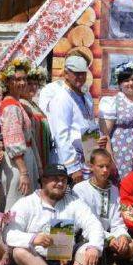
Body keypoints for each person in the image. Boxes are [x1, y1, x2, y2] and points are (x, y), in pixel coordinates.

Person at [4, 163, 105, 265]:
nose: (60, 183)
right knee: (19, 251)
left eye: (64, 180)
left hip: (65, 264)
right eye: (55, 179)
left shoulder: (73, 202)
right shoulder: (26, 203)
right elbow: (9, 233)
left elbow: (93, 224)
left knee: (88, 248)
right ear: (43, 180)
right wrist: (33, 238)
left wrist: (94, 247)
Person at [39, 54, 106, 184]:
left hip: (87, 156)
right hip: (70, 161)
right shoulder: (62, 97)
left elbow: (88, 124)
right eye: (76, 73)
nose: (80, 77)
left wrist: (97, 141)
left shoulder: (86, 95)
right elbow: (61, 134)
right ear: (66, 74)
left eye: (83, 73)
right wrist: (72, 167)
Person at [72, 150, 133, 265]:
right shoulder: (80, 189)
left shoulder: (114, 190)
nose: (105, 170)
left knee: (132, 245)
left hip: (109, 238)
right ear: (91, 166)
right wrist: (109, 238)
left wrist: (121, 236)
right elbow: (83, 225)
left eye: (108, 166)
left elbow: (118, 220)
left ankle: (110, 262)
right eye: (100, 166)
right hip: (87, 238)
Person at [0, 59, 42, 210]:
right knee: (17, 205)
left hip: (25, 158)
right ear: (8, 82)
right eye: (17, 79)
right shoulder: (11, 107)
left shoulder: (17, 104)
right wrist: (23, 172)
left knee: (27, 205)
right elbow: (13, 141)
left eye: (24, 79)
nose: (22, 83)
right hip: (17, 163)